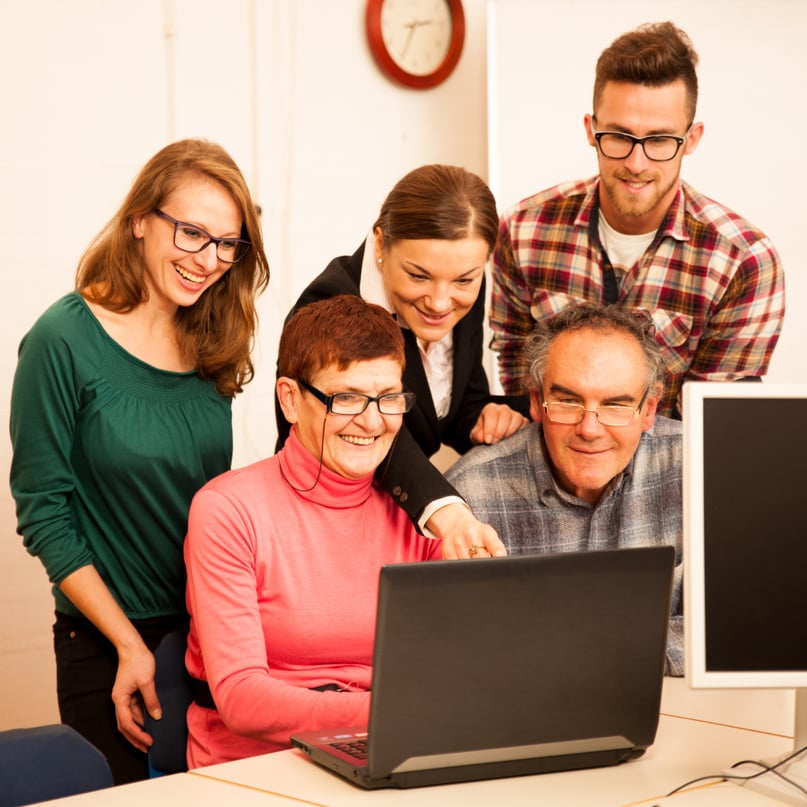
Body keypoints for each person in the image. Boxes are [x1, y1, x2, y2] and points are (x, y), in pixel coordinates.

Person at [9, 138, 269, 783]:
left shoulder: (213, 339)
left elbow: (210, 500)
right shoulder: (63, 339)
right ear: (139, 221)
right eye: (190, 232)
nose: (207, 259)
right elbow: (44, 514)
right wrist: (128, 643)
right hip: (106, 644)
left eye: (226, 244)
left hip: (208, 635)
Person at [184, 295, 442, 766]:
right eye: (345, 398)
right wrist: (402, 711)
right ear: (290, 400)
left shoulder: (424, 516)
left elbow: (452, 668)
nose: (371, 421)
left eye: (388, 398)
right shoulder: (227, 510)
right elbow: (242, 700)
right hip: (254, 766)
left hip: (389, 752)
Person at [490, 21, 784, 419]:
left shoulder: (743, 261)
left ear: (691, 138)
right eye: (619, 136)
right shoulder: (523, 231)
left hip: (670, 477)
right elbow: (520, 386)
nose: (636, 163)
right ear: (591, 130)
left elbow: (710, 426)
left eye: (660, 140)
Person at [277, 164, 530, 559]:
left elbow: (454, 405)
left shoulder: (458, 287)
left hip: (397, 526)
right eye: (418, 276)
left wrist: (499, 416)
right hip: (322, 528)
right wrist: (450, 516)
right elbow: (371, 425)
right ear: (380, 244)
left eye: (464, 280)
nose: (441, 301)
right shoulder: (329, 307)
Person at [446, 303, 683, 675]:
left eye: (616, 405)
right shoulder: (468, 495)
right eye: (569, 401)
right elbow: (453, 646)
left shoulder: (701, 471)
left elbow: (735, 621)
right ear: (537, 402)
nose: (589, 429)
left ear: (649, 409)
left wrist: (587, 650)